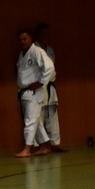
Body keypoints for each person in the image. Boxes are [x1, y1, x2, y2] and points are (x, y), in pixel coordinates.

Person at [15, 29, 54, 158]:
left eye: (24, 39)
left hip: (34, 91)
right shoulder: (22, 54)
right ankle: (45, 146)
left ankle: (27, 149)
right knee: (36, 121)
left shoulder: (37, 51)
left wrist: (41, 82)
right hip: (24, 91)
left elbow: (49, 67)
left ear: (31, 38)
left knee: (30, 121)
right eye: (20, 40)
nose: (22, 42)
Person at [34, 22, 65, 152]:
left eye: (47, 33)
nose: (45, 36)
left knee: (51, 114)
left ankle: (54, 144)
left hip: (50, 86)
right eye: (43, 33)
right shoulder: (34, 50)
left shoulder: (50, 49)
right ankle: (39, 145)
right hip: (38, 86)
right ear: (38, 34)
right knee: (38, 116)